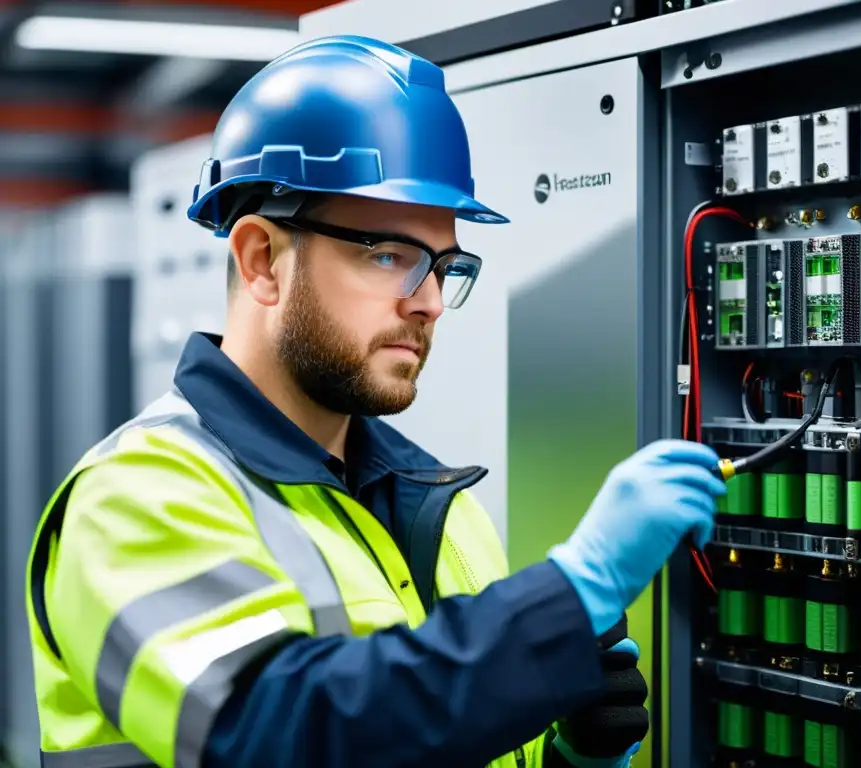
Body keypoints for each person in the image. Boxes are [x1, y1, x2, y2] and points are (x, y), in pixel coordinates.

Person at [25, 35, 725, 768]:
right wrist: (568, 599)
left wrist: (571, 757)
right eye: (388, 255)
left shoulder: (446, 514)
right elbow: (276, 731)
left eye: (445, 266)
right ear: (262, 258)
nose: (428, 303)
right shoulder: (136, 497)